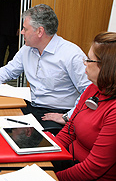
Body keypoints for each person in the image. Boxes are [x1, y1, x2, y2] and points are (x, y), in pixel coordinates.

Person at [0, 4, 91, 130]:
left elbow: (89, 91)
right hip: (32, 105)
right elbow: (10, 70)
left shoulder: (71, 54)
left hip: (57, 112)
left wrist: (67, 117)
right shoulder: (27, 49)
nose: (21, 32)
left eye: (25, 29)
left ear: (39, 31)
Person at [54, 32, 116, 180]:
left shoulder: (113, 110)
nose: (84, 63)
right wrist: (45, 153)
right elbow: (69, 130)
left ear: (106, 67)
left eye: (89, 60)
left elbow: (92, 169)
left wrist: (52, 177)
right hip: (69, 162)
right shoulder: (93, 88)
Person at [0, 0, 21, 68]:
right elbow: (17, 14)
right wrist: (18, 27)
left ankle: (0, 66)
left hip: (1, 28)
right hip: (12, 29)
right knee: (13, 49)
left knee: (1, 50)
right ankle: (8, 66)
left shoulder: (0, 0)